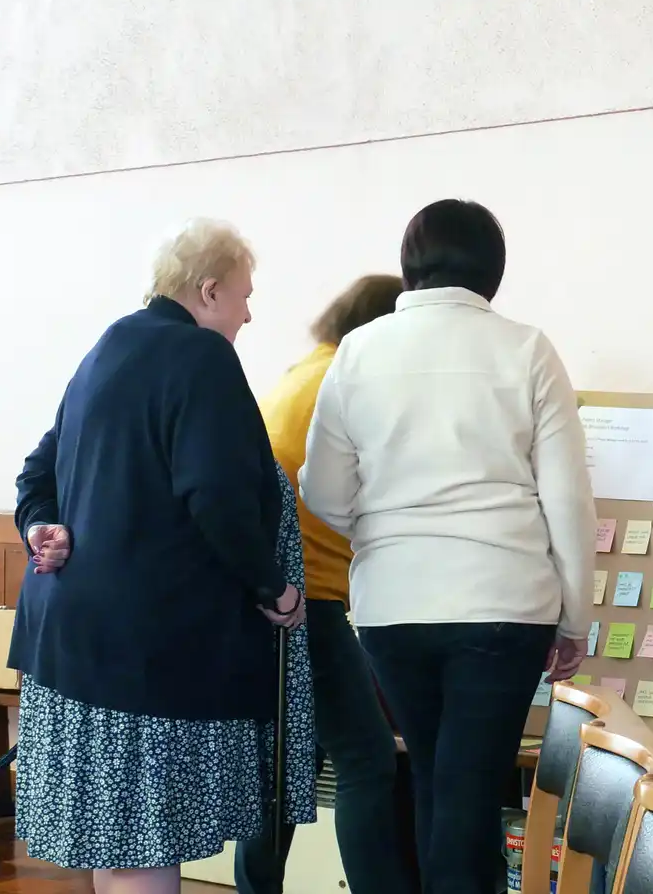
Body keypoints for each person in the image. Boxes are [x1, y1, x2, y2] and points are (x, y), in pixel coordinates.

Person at [8, 219, 317, 894]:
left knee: (115, 844)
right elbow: (220, 496)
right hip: (147, 653)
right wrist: (274, 591)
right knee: (142, 849)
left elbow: (37, 474)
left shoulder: (108, 347)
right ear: (207, 291)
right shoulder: (201, 358)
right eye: (243, 295)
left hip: (73, 647)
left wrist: (40, 527)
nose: (249, 312)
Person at [299, 200, 597, 894]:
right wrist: (576, 618)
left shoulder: (358, 351)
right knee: (466, 787)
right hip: (504, 604)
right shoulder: (527, 349)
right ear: (493, 270)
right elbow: (568, 499)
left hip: (392, 608)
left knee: (436, 776)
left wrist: (385, 529)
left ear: (411, 267)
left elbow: (323, 491)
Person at [234, 275, 412, 894]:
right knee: (365, 756)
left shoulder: (304, 372)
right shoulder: (346, 382)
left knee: (287, 765)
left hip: (279, 591)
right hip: (309, 596)